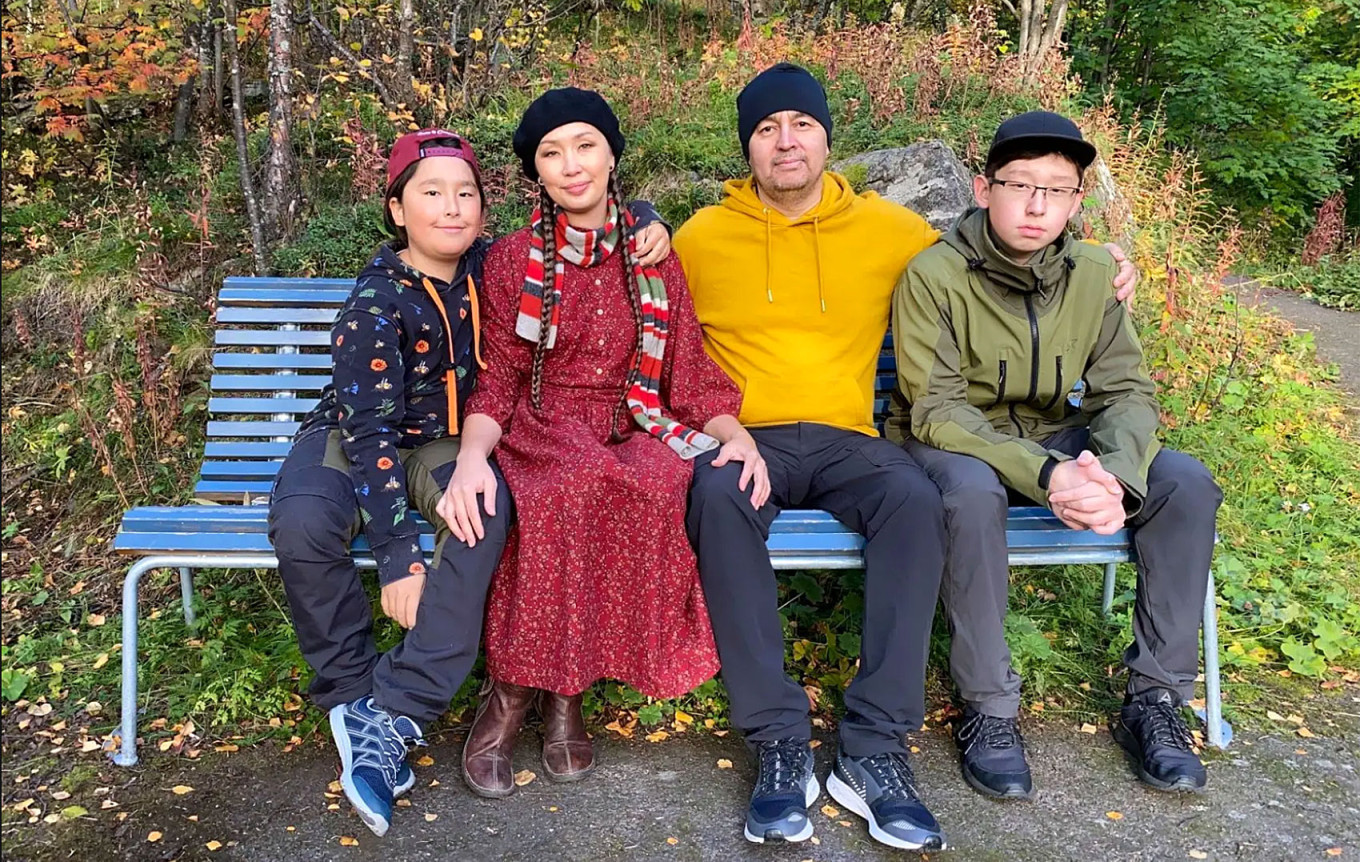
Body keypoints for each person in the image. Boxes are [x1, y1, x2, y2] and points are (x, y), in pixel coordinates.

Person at [266, 128, 672, 836]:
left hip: (447, 444)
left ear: (484, 209)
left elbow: (588, 214)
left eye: (466, 194)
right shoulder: (375, 301)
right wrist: (398, 555)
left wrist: (643, 214)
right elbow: (368, 436)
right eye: (431, 194)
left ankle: (400, 708)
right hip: (354, 436)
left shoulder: (496, 263)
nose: (451, 208)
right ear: (397, 209)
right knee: (303, 524)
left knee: (482, 515)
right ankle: (357, 699)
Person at [889, 110, 1222, 800]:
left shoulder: (1095, 272)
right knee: (970, 494)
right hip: (956, 443)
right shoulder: (935, 274)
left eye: (1057, 189)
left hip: (1057, 437)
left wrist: (1115, 477)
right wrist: (1050, 475)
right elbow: (939, 410)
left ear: (1076, 201)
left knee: (1185, 484)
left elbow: (1126, 389)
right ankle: (989, 708)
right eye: (1020, 185)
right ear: (983, 189)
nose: (1037, 205)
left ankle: (1156, 701)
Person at [444, 88, 757, 800]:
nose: (570, 165)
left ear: (613, 154)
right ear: (538, 174)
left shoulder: (651, 254)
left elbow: (687, 373)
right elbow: (499, 379)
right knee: (568, 486)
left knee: (655, 481)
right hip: (543, 423)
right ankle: (513, 696)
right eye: (551, 154)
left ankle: (567, 693)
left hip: (634, 416)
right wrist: (470, 455)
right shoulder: (512, 260)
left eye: (584, 145)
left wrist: (733, 433)